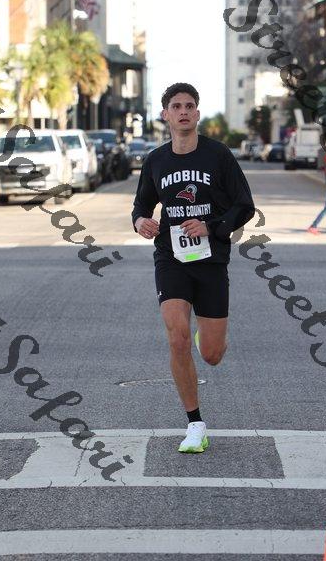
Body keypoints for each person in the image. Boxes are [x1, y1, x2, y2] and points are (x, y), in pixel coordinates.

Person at [131, 83, 255, 453]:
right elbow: (141, 205)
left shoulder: (218, 156)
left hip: (211, 260)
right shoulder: (156, 160)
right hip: (171, 258)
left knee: (212, 355)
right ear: (165, 115)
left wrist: (212, 226)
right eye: (176, 106)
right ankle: (195, 424)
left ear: (197, 114)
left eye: (189, 106)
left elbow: (244, 205)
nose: (183, 111)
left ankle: (209, 338)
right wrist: (140, 222)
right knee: (177, 337)